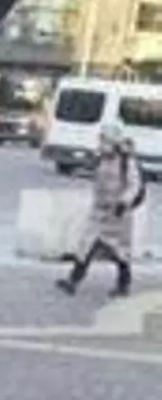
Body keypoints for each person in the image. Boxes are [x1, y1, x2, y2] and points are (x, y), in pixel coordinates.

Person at [56, 124, 144, 298]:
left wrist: (124, 201)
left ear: (114, 142)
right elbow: (96, 176)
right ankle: (73, 281)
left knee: (120, 251)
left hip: (119, 215)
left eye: (104, 140)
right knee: (86, 245)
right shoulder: (101, 159)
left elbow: (134, 185)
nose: (101, 143)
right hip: (99, 212)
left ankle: (123, 284)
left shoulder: (126, 162)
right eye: (101, 139)